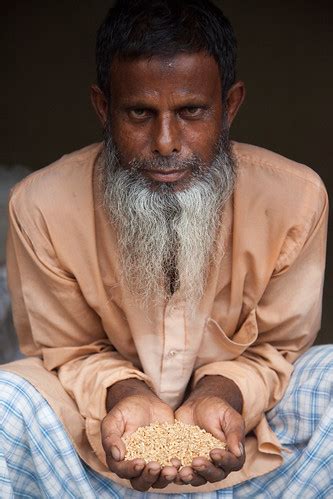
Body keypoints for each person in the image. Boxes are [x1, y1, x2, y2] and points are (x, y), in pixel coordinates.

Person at [0, 0, 332, 497]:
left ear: (231, 105)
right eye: (139, 112)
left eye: (191, 111)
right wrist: (127, 395)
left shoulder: (296, 199)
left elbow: (277, 349)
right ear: (102, 107)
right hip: (92, 460)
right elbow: (67, 351)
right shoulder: (41, 206)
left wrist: (220, 396)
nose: (165, 141)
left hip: (252, 452)